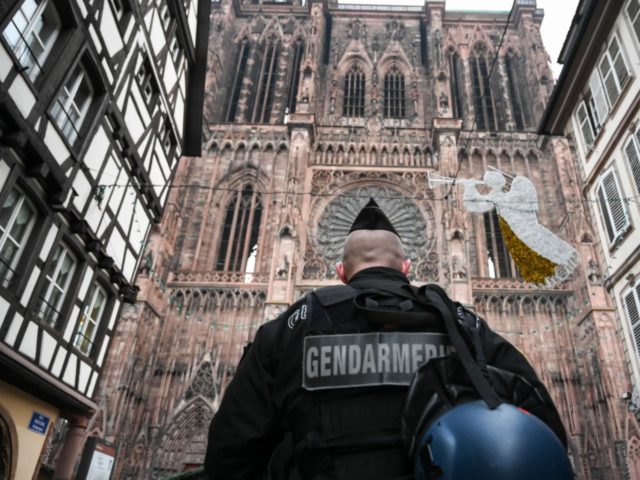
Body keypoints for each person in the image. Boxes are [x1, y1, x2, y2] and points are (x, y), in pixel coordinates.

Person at [204, 198, 567, 480]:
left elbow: (230, 454)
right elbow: (542, 431)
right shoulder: (459, 324)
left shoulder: (290, 329)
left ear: (340, 272)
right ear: (407, 268)